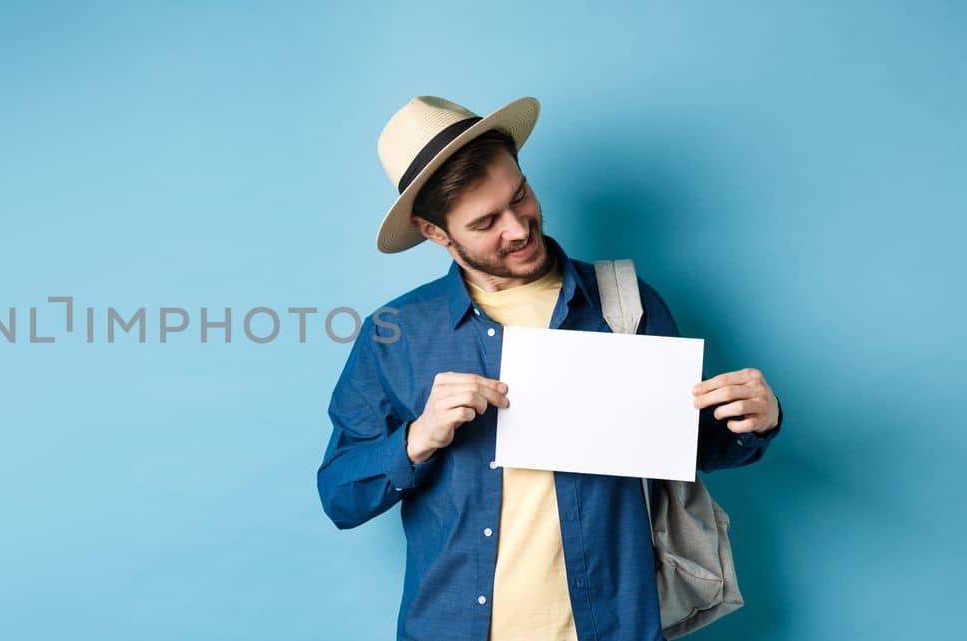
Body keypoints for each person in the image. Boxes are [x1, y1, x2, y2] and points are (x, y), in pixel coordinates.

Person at [316, 96, 783, 641]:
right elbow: (340, 497)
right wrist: (418, 439)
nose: (518, 229)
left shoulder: (625, 303)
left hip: (610, 628)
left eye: (520, 197)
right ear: (436, 233)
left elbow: (690, 447)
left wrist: (757, 419)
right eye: (486, 222)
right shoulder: (394, 333)